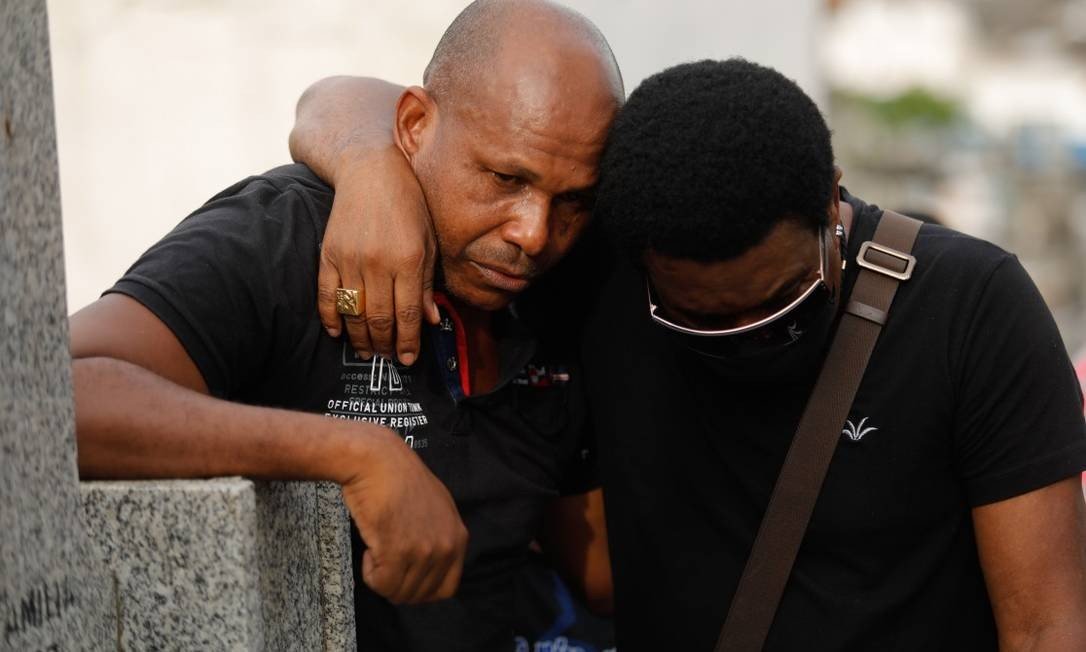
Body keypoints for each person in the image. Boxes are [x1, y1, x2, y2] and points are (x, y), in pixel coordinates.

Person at [290, 57, 1086, 649]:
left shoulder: (969, 305)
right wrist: (369, 169)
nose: (748, 339)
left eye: (784, 303)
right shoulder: (588, 259)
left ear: (830, 200)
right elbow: (339, 99)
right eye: (700, 318)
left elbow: (1047, 626)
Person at [70, 1, 624, 649]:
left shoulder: (571, 282)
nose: (534, 233)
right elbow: (61, 396)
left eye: (573, 200)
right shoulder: (288, 237)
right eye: (505, 178)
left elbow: (597, 569)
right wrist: (352, 455)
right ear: (414, 125)